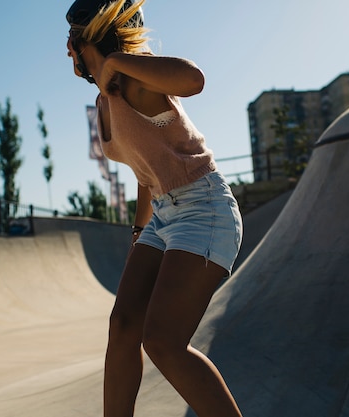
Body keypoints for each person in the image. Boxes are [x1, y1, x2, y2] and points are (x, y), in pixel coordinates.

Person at [65, 1, 243, 416]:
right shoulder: (104, 100)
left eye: (69, 44)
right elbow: (146, 169)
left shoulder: (131, 79)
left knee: (162, 340)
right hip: (162, 216)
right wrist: (138, 232)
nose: (66, 55)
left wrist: (115, 62)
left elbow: (193, 78)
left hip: (204, 207)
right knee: (123, 325)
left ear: (81, 41)